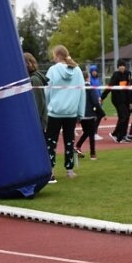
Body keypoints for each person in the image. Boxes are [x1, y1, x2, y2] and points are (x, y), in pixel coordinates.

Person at [45, 45, 86, 181]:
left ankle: (50, 171)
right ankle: (70, 170)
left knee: (51, 142)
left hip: (54, 112)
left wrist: (47, 108)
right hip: (71, 112)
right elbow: (82, 92)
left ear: (57, 56)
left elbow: (47, 91)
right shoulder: (78, 70)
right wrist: (80, 112)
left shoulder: (52, 70)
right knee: (69, 141)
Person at [101, 60, 132, 143]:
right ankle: (119, 137)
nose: (122, 67)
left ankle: (119, 134)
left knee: (126, 116)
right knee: (123, 117)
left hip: (125, 99)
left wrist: (130, 102)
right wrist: (102, 97)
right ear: (118, 67)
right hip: (117, 99)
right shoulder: (116, 75)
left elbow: (128, 88)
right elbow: (110, 86)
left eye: (123, 65)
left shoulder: (128, 73)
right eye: (120, 66)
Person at [75, 69, 102, 161]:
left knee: (86, 132)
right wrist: (100, 112)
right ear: (87, 78)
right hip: (90, 114)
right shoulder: (90, 88)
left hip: (81, 115)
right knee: (91, 134)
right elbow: (95, 101)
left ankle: (78, 146)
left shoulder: (78, 88)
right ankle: (92, 154)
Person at [24, 52, 48, 131]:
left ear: (29, 63)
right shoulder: (31, 78)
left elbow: (38, 102)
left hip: (38, 122)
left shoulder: (34, 79)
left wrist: (33, 119)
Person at [88, 64, 105, 140]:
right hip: (94, 101)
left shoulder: (98, 79)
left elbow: (99, 89)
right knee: (97, 116)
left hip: (99, 99)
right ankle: (93, 133)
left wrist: (101, 98)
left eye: (95, 71)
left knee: (98, 116)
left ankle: (92, 132)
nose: (95, 72)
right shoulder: (90, 80)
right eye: (93, 71)